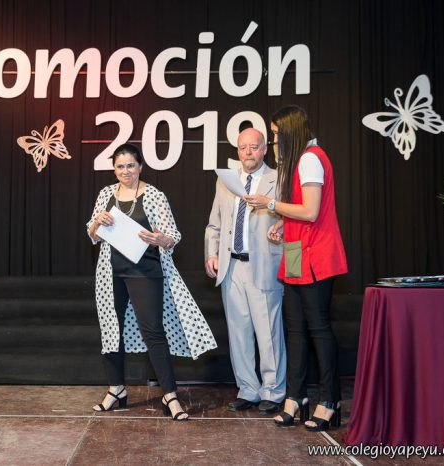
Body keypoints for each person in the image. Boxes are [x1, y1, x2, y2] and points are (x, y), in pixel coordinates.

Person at [87, 143, 217, 421]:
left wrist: (161, 239)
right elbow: (93, 236)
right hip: (111, 273)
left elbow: (173, 236)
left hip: (145, 272)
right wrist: (96, 222)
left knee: (153, 332)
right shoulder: (106, 194)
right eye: (120, 166)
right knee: (111, 330)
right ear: (114, 169)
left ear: (140, 167)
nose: (126, 171)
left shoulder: (155, 195)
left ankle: (170, 395)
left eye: (130, 166)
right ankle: (116, 389)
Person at [245, 105, 347, 431]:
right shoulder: (299, 160)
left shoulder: (311, 158)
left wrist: (271, 204)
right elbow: (299, 211)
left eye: (276, 134)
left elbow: (312, 211)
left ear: (290, 131)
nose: (275, 140)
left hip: (316, 253)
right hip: (294, 250)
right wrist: (282, 223)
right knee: (295, 329)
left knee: (318, 328)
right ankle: (296, 396)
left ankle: (329, 400)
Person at [204, 127, 286, 415]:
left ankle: (273, 391)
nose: (247, 152)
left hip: (264, 264)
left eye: (253, 147)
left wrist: (283, 228)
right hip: (232, 266)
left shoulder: (279, 178)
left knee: (268, 332)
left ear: (264, 149)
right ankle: (248, 389)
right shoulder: (226, 180)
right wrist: (212, 253)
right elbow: (214, 223)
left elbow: (293, 218)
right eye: (242, 148)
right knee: (239, 332)